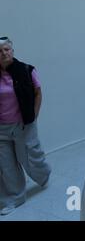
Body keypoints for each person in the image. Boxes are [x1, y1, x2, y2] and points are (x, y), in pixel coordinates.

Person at [0, 37, 51, 216]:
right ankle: (15, 197)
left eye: (6, 49)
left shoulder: (27, 70)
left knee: (29, 157)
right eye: (0, 51)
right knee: (5, 165)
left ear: (12, 51)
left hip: (23, 124)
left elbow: (38, 92)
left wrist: (34, 114)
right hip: (1, 129)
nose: (4, 53)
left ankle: (43, 174)